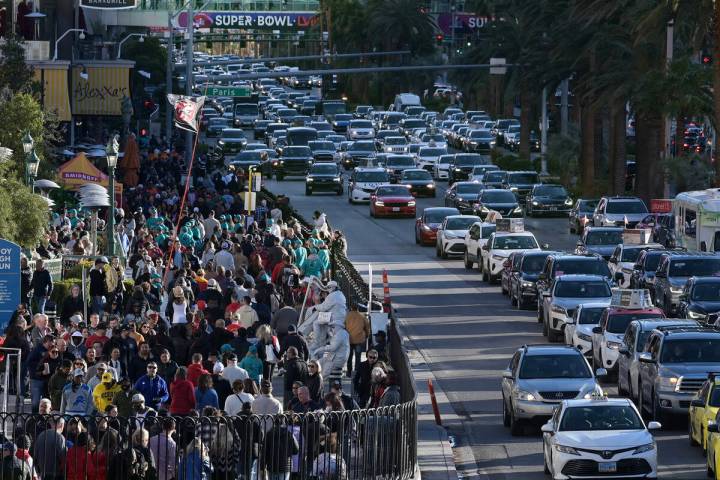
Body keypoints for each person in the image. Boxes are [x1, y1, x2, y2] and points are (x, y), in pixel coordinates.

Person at [262, 416, 299, 480]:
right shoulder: (289, 434)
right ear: (284, 422)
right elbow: (296, 450)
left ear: (274, 422)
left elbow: (264, 452)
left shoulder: (269, 434)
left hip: (272, 465)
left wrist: (262, 467)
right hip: (285, 465)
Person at [345, 305, 370, 376]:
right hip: (359, 339)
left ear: (351, 308)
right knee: (358, 356)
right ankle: (357, 372)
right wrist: (367, 335)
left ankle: (349, 372)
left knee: (349, 357)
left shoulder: (347, 316)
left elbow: (343, 326)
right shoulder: (362, 316)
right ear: (358, 309)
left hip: (349, 339)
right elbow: (367, 327)